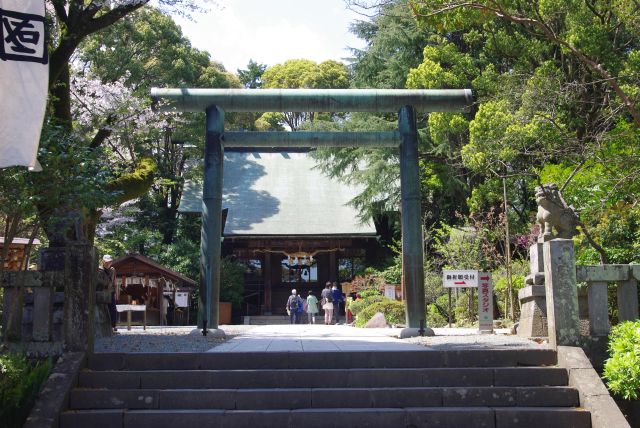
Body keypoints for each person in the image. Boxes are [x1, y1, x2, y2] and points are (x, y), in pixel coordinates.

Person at [97, 254, 117, 332]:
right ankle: (104, 326)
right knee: (104, 309)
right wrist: (105, 285)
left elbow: (114, 280)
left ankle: (113, 326)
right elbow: (98, 281)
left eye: (110, 261)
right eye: (107, 261)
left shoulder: (113, 270)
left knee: (113, 309)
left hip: (111, 292)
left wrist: (114, 289)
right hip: (102, 292)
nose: (108, 263)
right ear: (103, 261)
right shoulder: (99, 270)